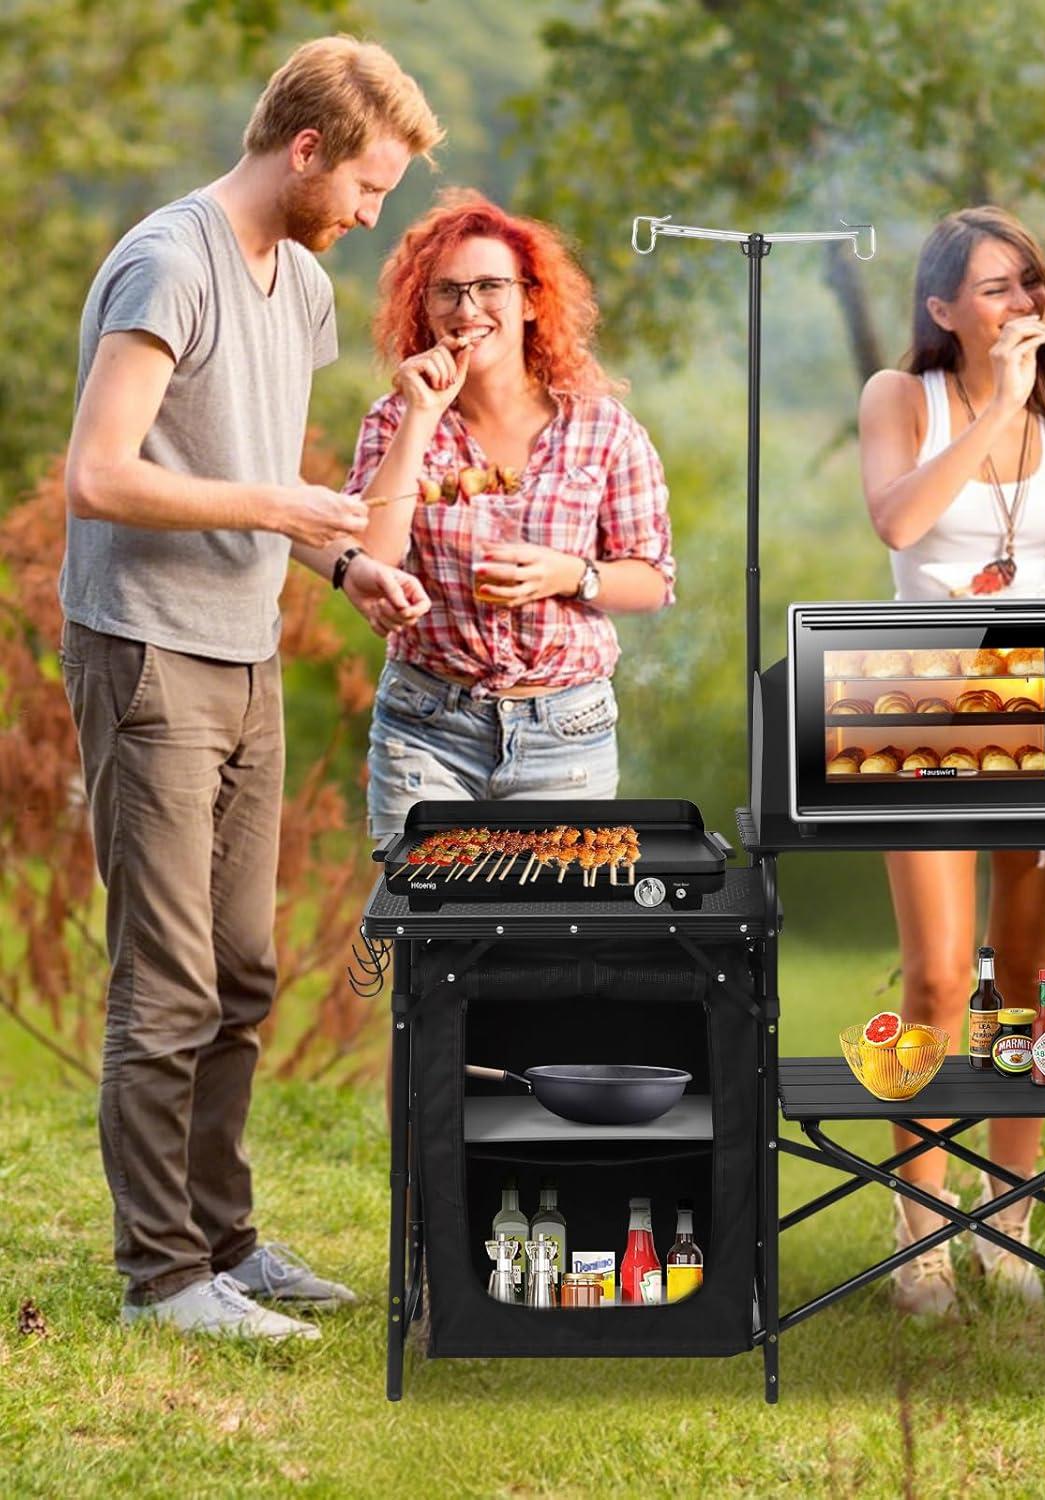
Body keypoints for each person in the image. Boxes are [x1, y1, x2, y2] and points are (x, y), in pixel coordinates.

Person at [60, 37, 443, 1341]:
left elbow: (251, 466)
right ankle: (163, 1277)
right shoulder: (170, 263)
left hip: (245, 648)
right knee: (166, 978)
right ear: (306, 149)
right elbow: (100, 475)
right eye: (368, 187)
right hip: (147, 648)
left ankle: (225, 1244)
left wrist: (342, 563)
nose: (371, 215)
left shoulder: (303, 284)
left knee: (240, 970)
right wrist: (282, 508)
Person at [857, 207, 1045, 1315]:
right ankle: (920, 1228)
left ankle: (1009, 1217)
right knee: (939, 975)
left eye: (1030, 284)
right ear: (943, 307)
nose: (1023, 304)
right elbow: (899, 525)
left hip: (1043, 692)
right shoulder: (901, 397)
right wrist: (997, 403)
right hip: (916, 701)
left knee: (1025, 976)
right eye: (995, 288)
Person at [344, 190, 675, 842]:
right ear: (424, 307)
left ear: (529, 300)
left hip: (566, 733)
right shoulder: (395, 420)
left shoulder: (603, 430)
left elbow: (653, 580)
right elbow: (370, 556)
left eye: (490, 287)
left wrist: (568, 574)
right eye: (446, 291)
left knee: (549, 912)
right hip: (426, 726)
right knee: (430, 908)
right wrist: (421, 416)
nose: (467, 309)